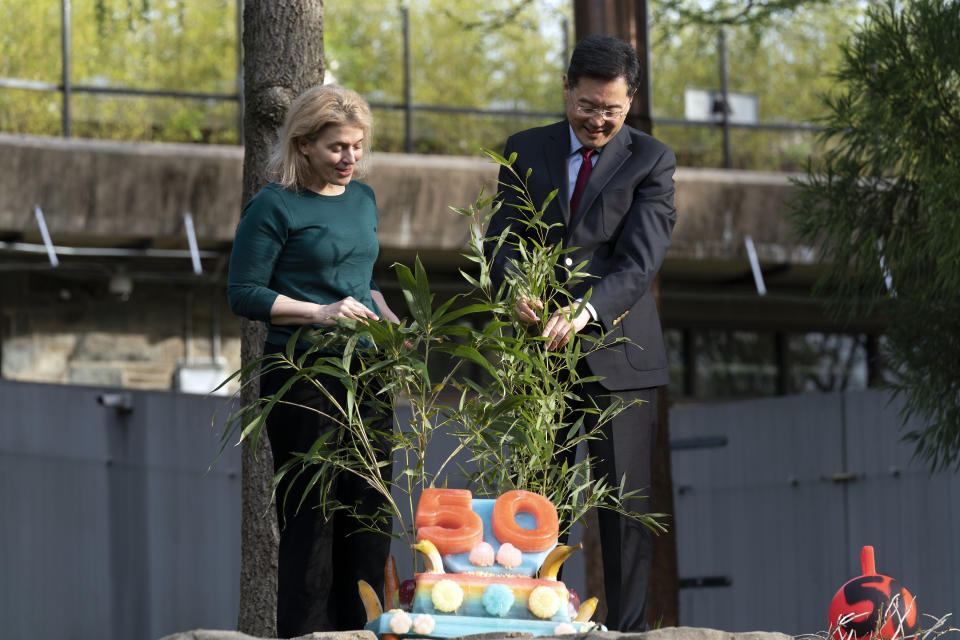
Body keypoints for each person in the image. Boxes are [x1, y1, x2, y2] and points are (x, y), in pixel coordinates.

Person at [484, 35, 677, 631]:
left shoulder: (652, 160)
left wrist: (586, 312)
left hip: (618, 356)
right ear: (567, 89)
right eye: (588, 105)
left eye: (612, 110)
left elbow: (639, 264)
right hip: (540, 357)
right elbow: (499, 239)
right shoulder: (524, 149)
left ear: (631, 101)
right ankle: (542, 619)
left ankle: (626, 629)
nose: (598, 120)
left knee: (625, 513)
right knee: (539, 507)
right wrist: (512, 283)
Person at [227, 84, 402, 636]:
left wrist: (386, 315)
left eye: (357, 146)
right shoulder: (274, 205)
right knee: (313, 522)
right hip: (303, 379)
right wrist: (320, 313)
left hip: (367, 374)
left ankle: (364, 631)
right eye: (337, 148)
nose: (350, 158)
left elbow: (359, 278)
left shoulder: (363, 199)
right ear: (303, 145)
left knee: (370, 517)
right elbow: (244, 292)